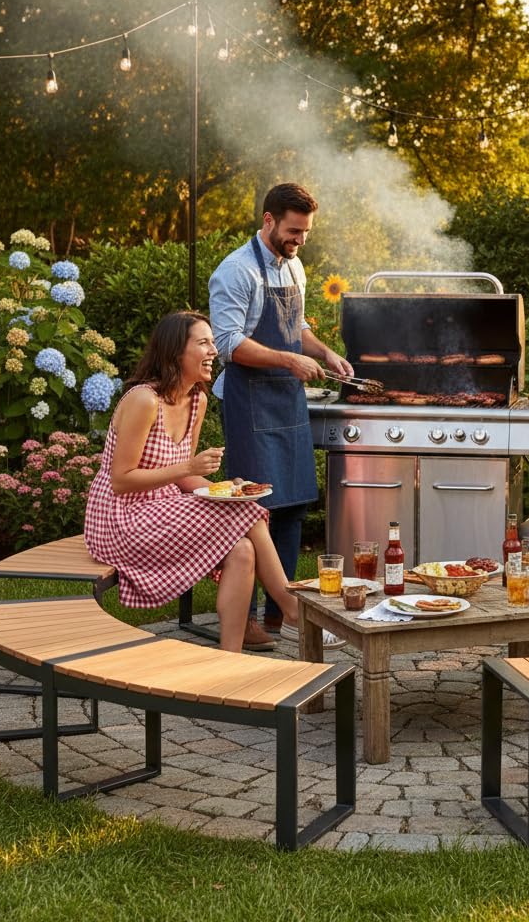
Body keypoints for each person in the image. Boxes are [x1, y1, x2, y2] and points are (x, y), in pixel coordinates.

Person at [84, 311, 301, 653]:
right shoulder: (144, 401)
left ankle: (229, 659)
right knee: (246, 515)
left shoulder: (197, 400)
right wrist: (188, 466)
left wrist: (228, 489)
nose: (214, 350)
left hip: (162, 508)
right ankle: (291, 606)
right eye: (203, 343)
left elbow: (185, 477)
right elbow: (121, 480)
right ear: (175, 353)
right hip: (119, 517)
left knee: (243, 545)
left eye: (213, 342)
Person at [209, 182, 352, 650]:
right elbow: (228, 344)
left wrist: (325, 353)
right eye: (293, 231)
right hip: (249, 401)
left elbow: (298, 327)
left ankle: (281, 614)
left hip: (287, 400)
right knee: (253, 509)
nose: (300, 241)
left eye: (306, 232)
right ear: (268, 220)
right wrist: (291, 361)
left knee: (292, 506)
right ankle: (243, 617)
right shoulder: (235, 272)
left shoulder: (295, 266)